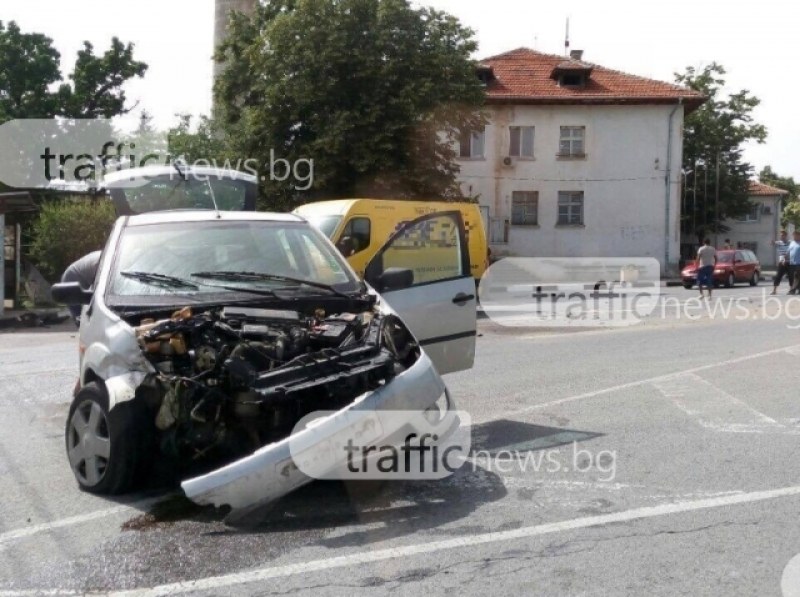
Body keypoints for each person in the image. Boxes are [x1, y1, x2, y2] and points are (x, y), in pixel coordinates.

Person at [60, 250, 102, 325]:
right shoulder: (102, 263)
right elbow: (100, 288)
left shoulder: (107, 256)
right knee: (80, 319)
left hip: (82, 277)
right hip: (72, 280)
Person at [771, 230, 791, 295]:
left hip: (789, 262)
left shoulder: (790, 243)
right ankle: (774, 290)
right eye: (781, 235)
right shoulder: (779, 242)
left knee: (791, 276)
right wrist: (772, 242)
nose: (781, 236)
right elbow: (773, 243)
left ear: (785, 236)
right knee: (778, 276)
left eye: (782, 235)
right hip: (781, 262)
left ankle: (791, 290)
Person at [788, 231, 800, 295]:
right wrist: (784, 259)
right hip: (792, 263)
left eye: (796, 235)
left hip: (798, 263)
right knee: (795, 277)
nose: (794, 236)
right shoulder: (792, 243)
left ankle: (792, 290)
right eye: (794, 235)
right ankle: (797, 290)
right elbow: (788, 251)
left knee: (796, 277)